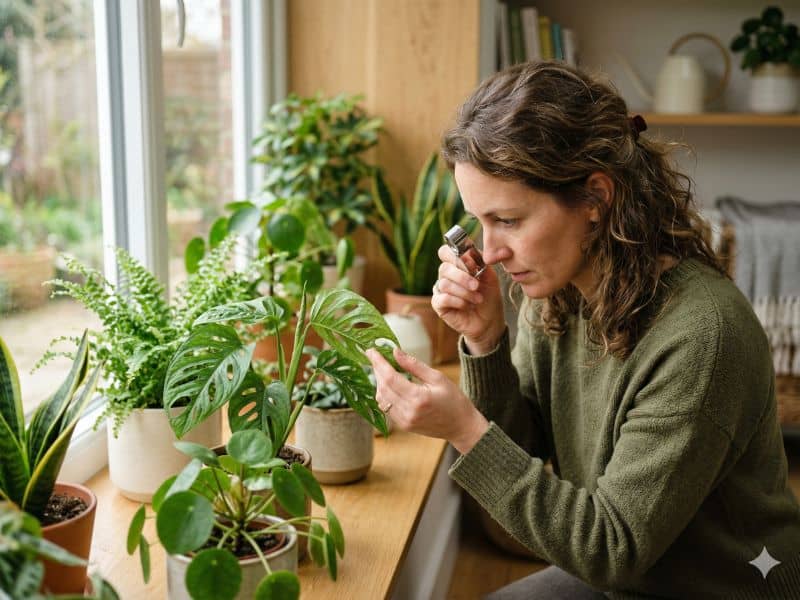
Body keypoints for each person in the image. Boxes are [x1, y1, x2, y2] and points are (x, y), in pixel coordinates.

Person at [366, 61, 800, 599]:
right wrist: (485, 341)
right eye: (479, 221)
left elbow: (611, 548)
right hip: (631, 574)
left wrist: (463, 429)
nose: (491, 251)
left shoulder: (703, 337)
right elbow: (522, 446)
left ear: (595, 199)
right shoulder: (560, 294)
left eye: (508, 220)